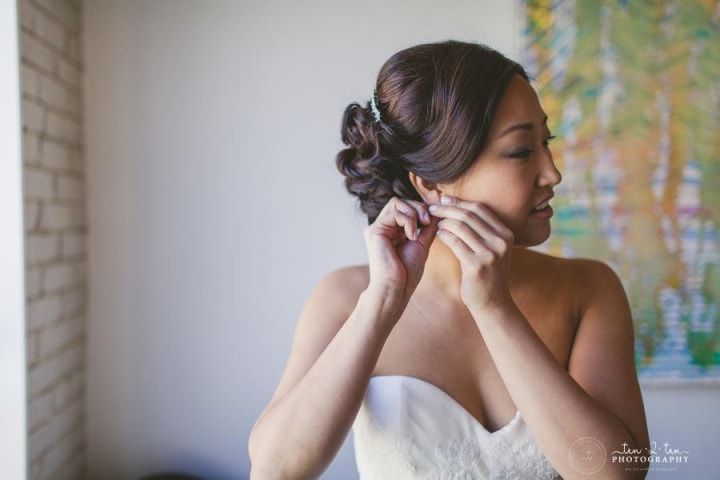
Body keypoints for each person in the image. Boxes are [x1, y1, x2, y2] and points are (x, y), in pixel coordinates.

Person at [248, 40, 650, 479]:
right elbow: (274, 470)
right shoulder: (344, 298)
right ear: (431, 184)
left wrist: (494, 307)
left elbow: (617, 474)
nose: (553, 173)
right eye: (521, 151)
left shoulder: (589, 290)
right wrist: (382, 301)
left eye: (546, 141)